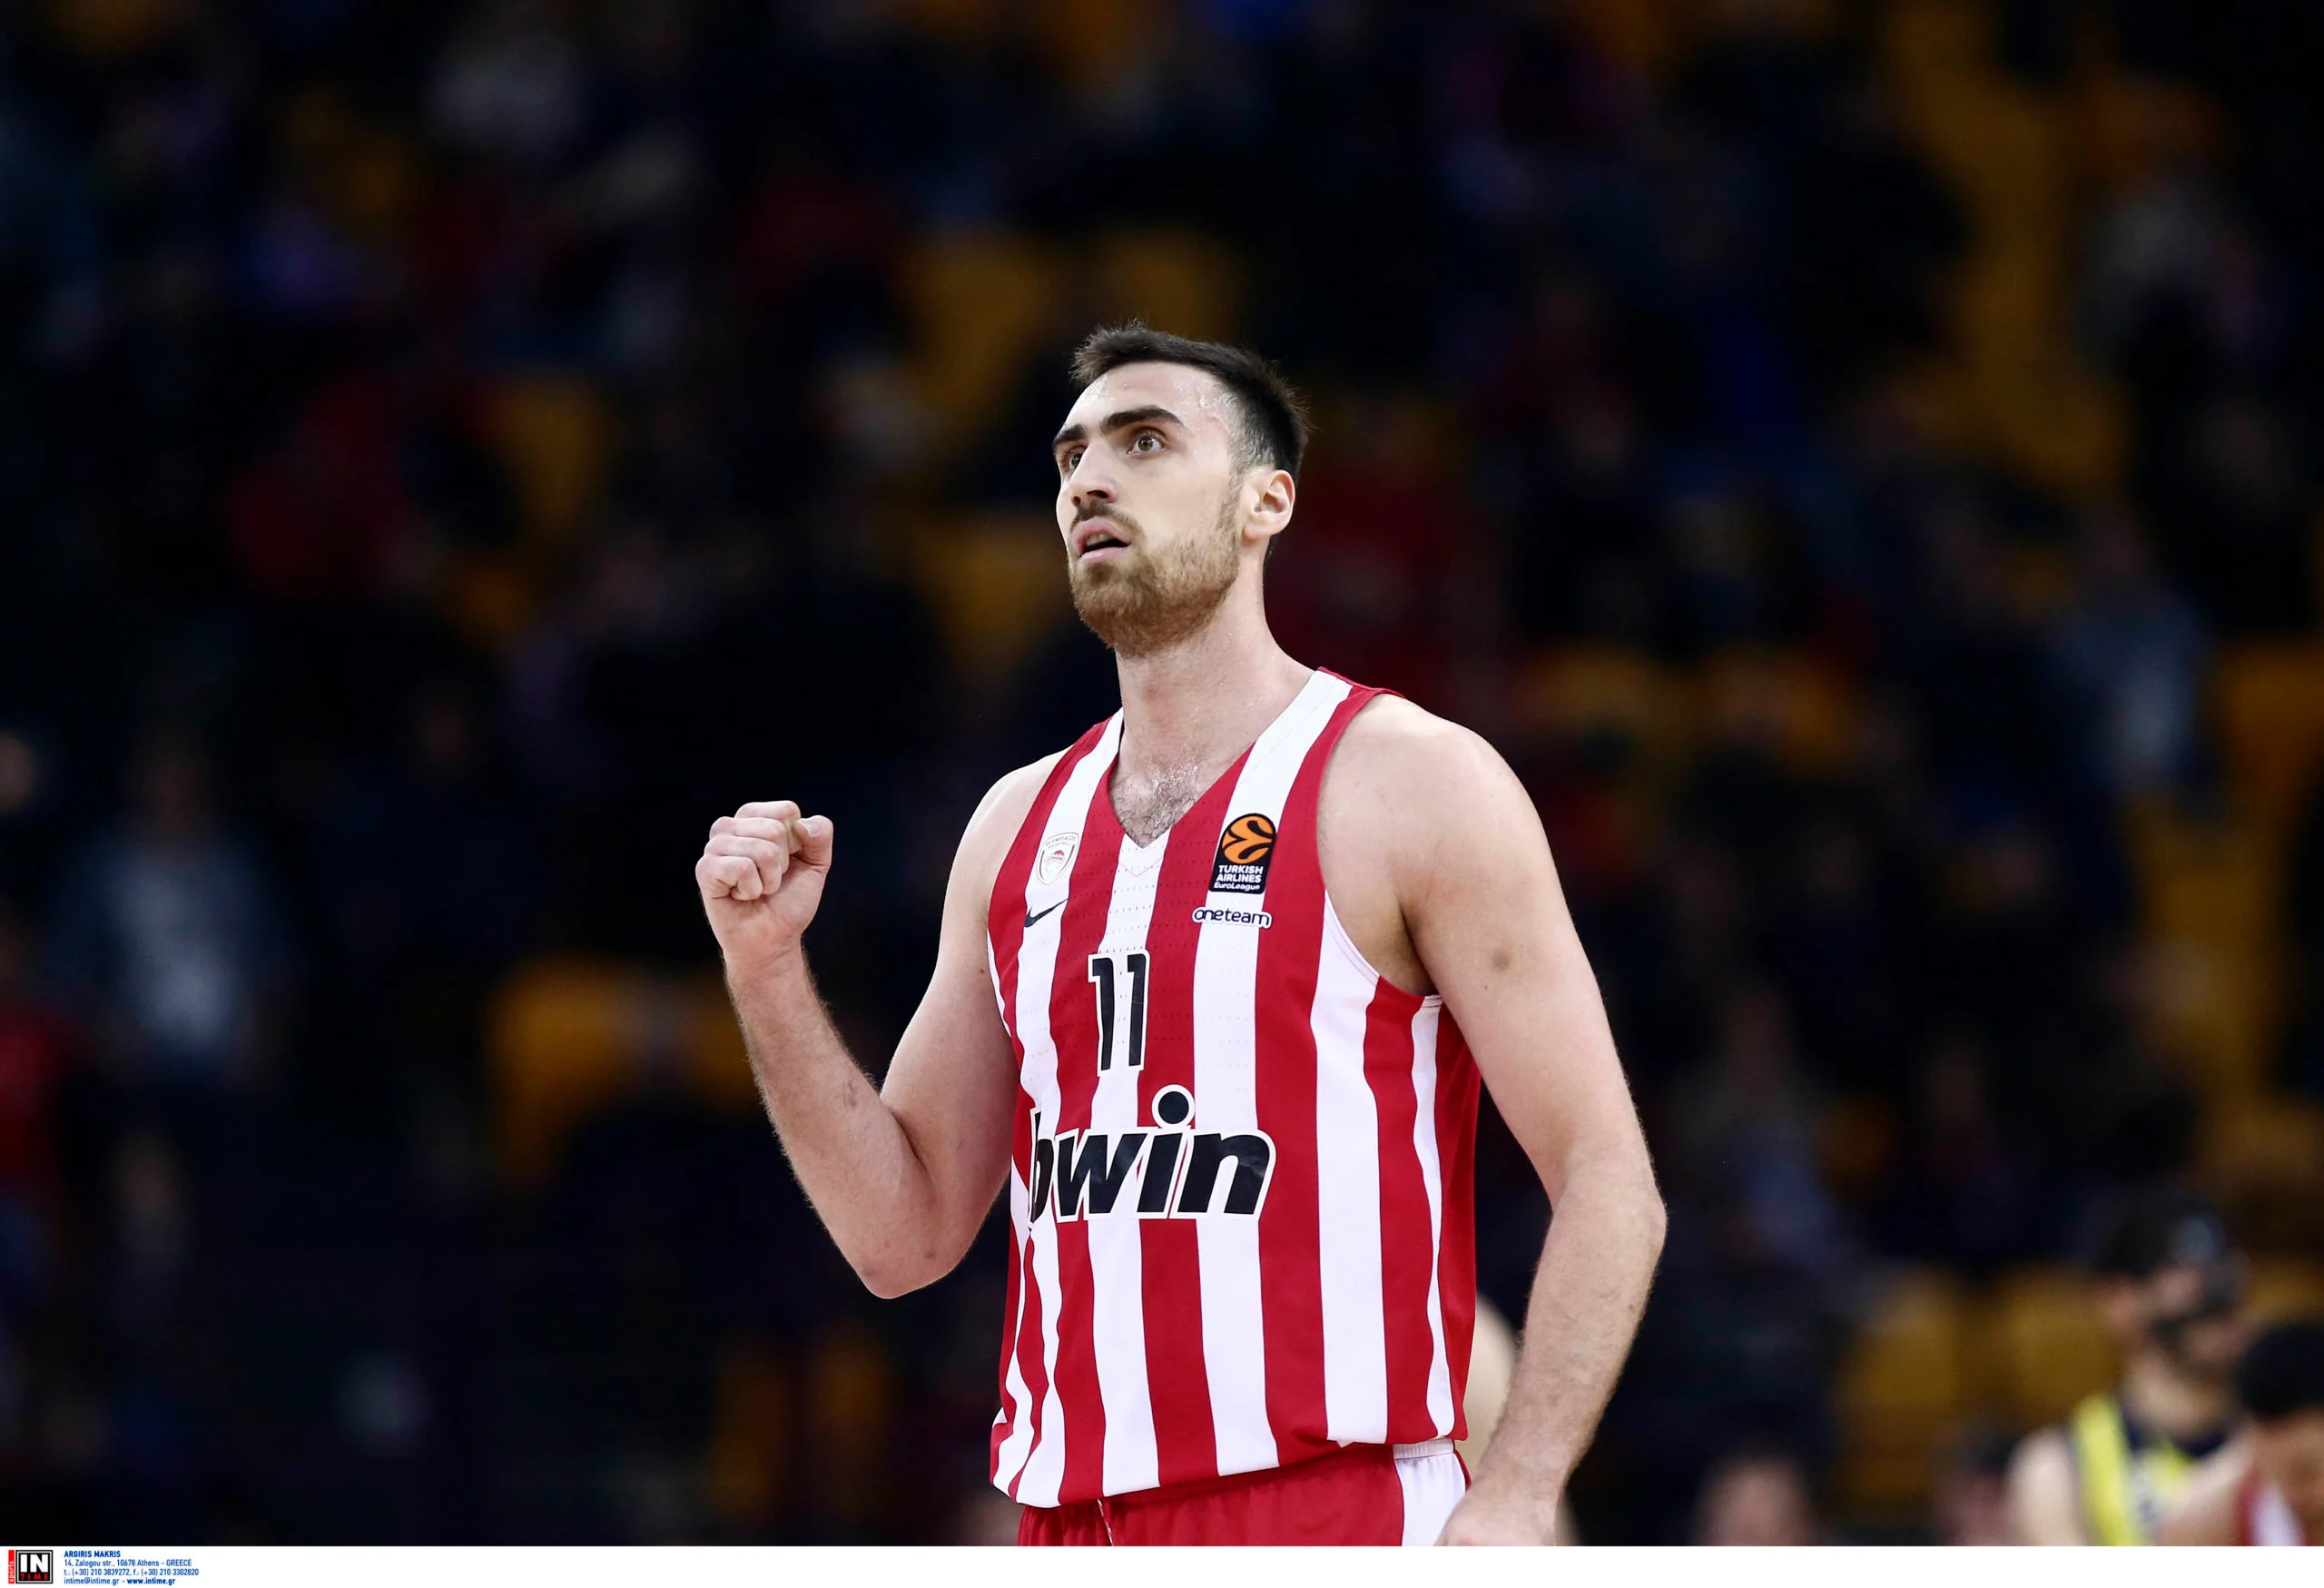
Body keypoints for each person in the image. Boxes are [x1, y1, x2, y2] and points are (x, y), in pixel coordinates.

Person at [695, 325, 1666, 1545]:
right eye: (1070, 457)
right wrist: (767, 971)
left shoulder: (1412, 783)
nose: (1090, 481)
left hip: (1335, 1512)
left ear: (1267, 501)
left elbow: (1608, 1176)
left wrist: (1519, 1491)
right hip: (1070, 1526)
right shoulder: (1013, 827)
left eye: (1145, 441)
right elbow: (900, 1239)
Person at [2007, 1189, 2247, 1544]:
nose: (2218, 1287)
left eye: (2222, 1269)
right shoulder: (2062, 1466)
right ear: (2118, 1301)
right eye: (2185, 1270)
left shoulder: (2287, 1435)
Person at [2158, 1319, 2324, 1546]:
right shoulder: (2201, 1522)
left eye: (2313, 1472)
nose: (2317, 1494)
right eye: (2298, 1476)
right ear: (2253, 1441)